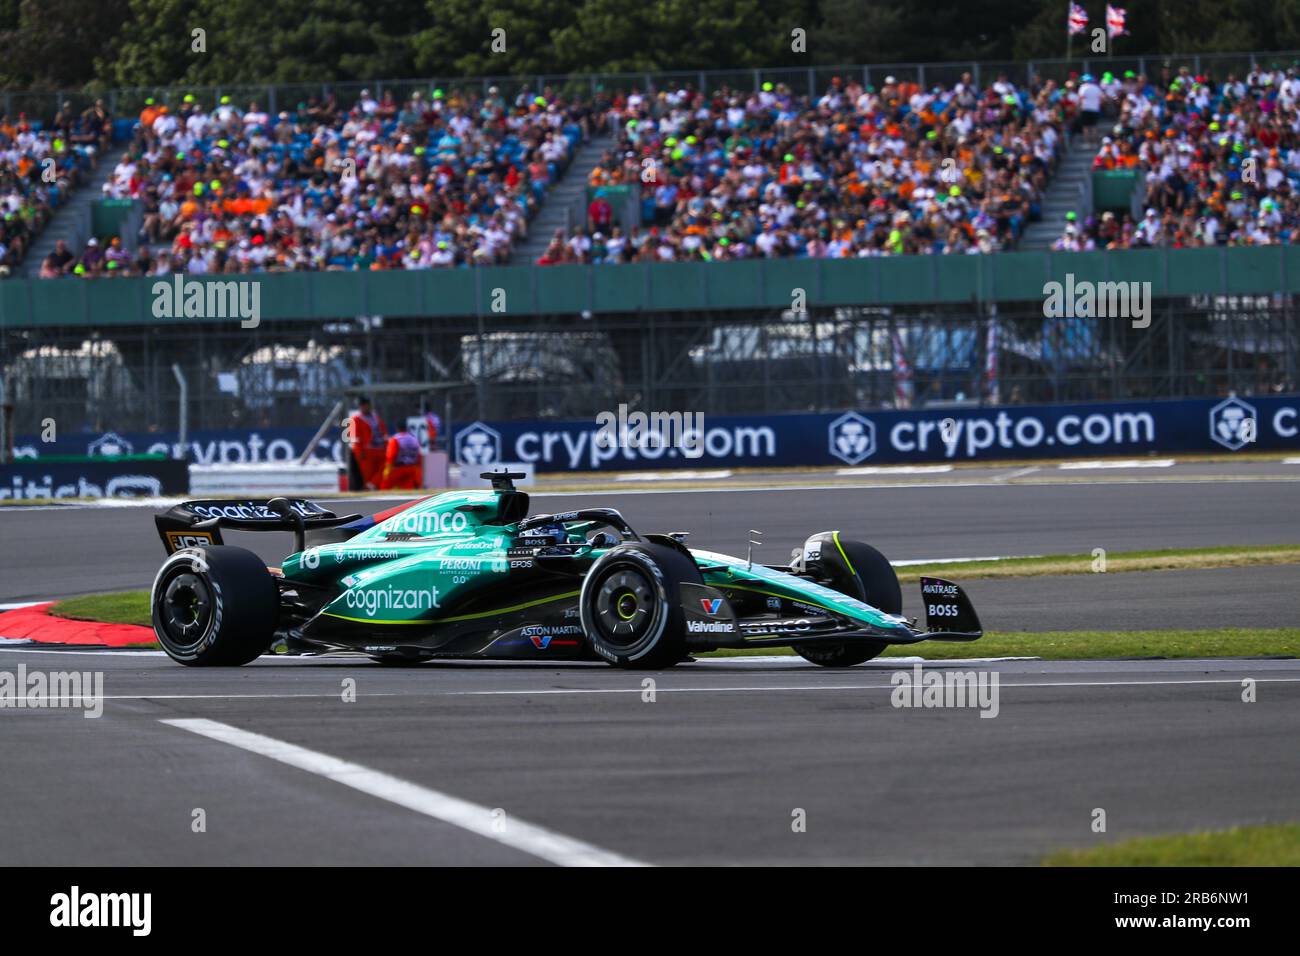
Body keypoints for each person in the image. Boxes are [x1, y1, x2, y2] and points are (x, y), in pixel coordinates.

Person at [347, 396, 388, 490]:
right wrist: (359, 452)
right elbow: (354, 437)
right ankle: (370, 488)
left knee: (383, 468)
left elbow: (384, 432)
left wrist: (386, 445)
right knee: (368, 474)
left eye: (367, 405)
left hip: (379, 449)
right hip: (367, 451)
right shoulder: (356, 419)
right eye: (363, 405)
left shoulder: (376, 417)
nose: (365, 407)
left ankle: (372, 485)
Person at [380, 420, 423, 490]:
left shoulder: (395, 439)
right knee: (408, 488)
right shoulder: (414, 439)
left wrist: (387, 470)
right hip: (412, 468)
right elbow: (419, 457)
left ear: (397, 428)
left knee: (385, 487)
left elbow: (391, 456)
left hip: (399, 468)